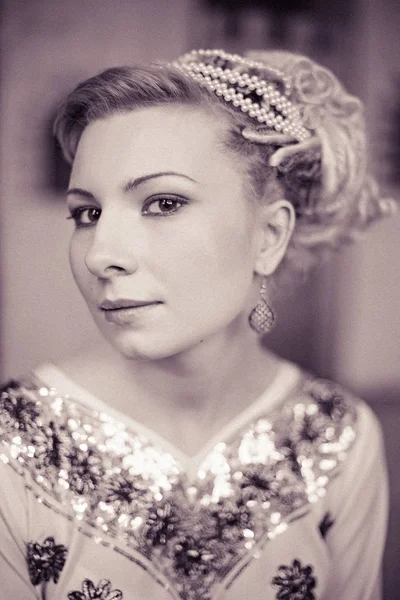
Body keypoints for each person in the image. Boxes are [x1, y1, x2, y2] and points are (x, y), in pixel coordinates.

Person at [0, 48, 394, 600]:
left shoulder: (339, 438)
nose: (99, 255)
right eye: (87, 213)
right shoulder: (14, 441)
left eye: (162, 203)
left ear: (269, 236)